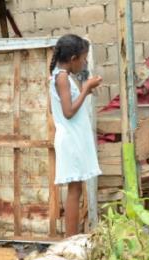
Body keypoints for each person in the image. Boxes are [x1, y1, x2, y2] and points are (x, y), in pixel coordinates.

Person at [49, 35, 102, 236]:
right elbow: (68, 112)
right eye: (83, 58)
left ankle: (73, 237)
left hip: (72, 138)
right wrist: (86, 88)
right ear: (72, 58)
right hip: (70, 140)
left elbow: (54, 108)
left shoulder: (58, 76)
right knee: (74, 191)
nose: (84, 62)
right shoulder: (62, 77)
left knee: (76, 189)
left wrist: (84, 91)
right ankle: (71, 239)